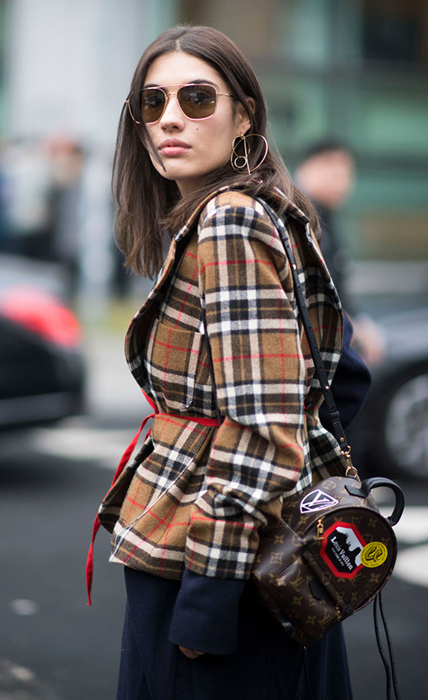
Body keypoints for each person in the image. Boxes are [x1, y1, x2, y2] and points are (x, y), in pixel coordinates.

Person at [89, 25, 371, 700]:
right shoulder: (260, 209)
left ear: (244, 115)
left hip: (213, 564)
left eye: (196, 98)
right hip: (246, 556)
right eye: (152, 103)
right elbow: (342, 376)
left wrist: (208, 594)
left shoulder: (230, 222)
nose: (170, 119)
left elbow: (264, 423)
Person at [295, 140, 386, 368]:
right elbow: (309, 290)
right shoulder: (299, 218)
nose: (340, 179)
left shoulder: (326, 217)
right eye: (330, 168)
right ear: (304, 169)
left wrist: (359, 323)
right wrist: (353, 327)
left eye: (346, 172)